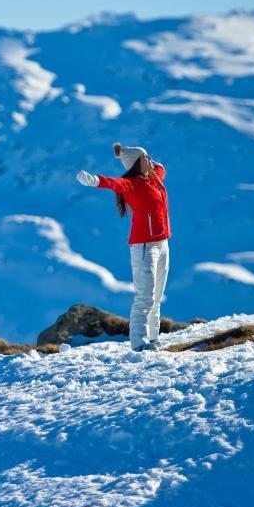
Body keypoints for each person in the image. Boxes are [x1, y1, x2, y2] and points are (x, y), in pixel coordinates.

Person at [76, 143, 170, 352]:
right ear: (137, 164)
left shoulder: (154, 177)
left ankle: (153, 338)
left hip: (162, 243)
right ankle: (138, 343)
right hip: (144, 246)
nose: (149, 160)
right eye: (145, 158)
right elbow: (113, 183)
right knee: (145, 295)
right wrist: (93, 180)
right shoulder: (132, 184)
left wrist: (135, 154)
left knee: (156, 295)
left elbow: (161, 166)